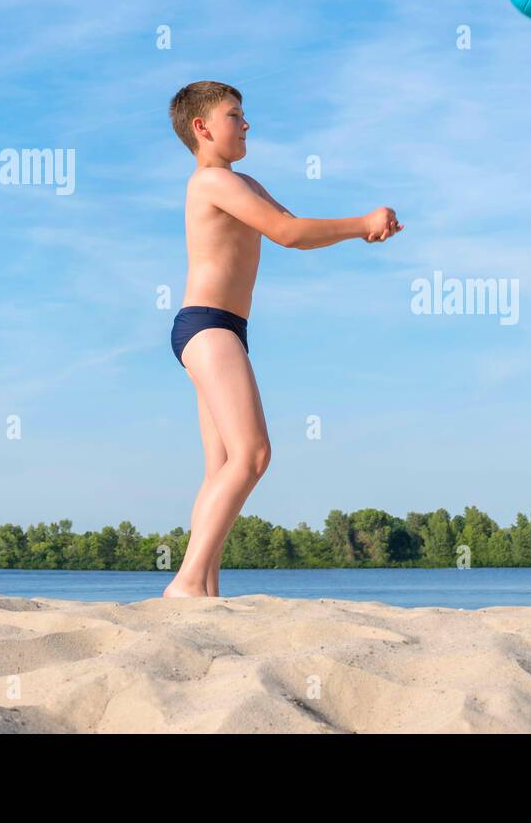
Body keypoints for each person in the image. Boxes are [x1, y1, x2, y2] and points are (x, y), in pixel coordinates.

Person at [162, 80, 402, 598]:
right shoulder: (211, 181)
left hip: (217, 328)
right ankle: (185, 582)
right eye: (235, 115)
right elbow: (287, 235)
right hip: (208, 324)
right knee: (252, 455)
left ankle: (203, 588)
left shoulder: (241, 182)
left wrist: (360, 227)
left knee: (223, 467)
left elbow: (294, 225)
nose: (246, 124)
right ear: (202, 128)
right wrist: (362, 223)